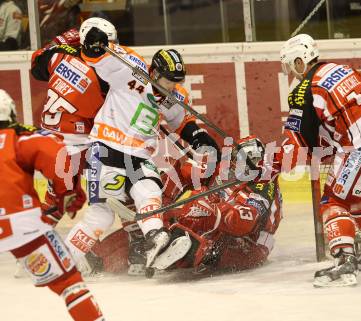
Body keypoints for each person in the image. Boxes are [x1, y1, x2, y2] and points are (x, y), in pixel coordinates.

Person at [64, 17, 219, 275]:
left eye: (176, 81)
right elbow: (99, 56)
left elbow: (184, 122)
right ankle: (64, 261)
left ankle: (155, 239)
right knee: (101, 216)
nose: (171, 86)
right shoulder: (130, 67)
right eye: (168, 80)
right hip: (106, 148)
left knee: (150, 190)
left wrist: (201, 139)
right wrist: (93, 44)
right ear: (155, 72)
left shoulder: (174, 96)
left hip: (138, 156)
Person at [266, 34, 361, 287]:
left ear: (299, 60)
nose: (291, 73)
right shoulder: (339, 68)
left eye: (289, 66)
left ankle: (344, 262)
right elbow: (335, 122)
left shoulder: (304, 89)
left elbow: (298, 142)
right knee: (353, 193)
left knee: (333, 199)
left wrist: (270, 165)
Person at [84, 137, 283, 276]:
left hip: (248, 247)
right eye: (238, 159)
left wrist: (215, 211)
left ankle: (182, 248)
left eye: (252, 161)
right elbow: (184, 173)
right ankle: (99, 255)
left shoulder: (264, 184)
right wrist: (163, 195)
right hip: (207, 228)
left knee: (200, 214)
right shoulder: (222, 168)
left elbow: (243, 223)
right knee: (163, 221)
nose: (242, 166)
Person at [0, 89, 104, 321]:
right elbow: (56, 155)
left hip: (18, 225)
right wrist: (68, 192)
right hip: (19, 225)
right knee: (69, 283)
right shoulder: (17, 137)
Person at [31, 27, 106, 226]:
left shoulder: (59, 55)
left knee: (60, 197)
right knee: (121, 181)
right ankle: (137, 237)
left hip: (51, 138)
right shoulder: (100, 76)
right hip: (76, 143)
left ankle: (38, 240)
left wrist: (60, 41)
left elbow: (36, 64)